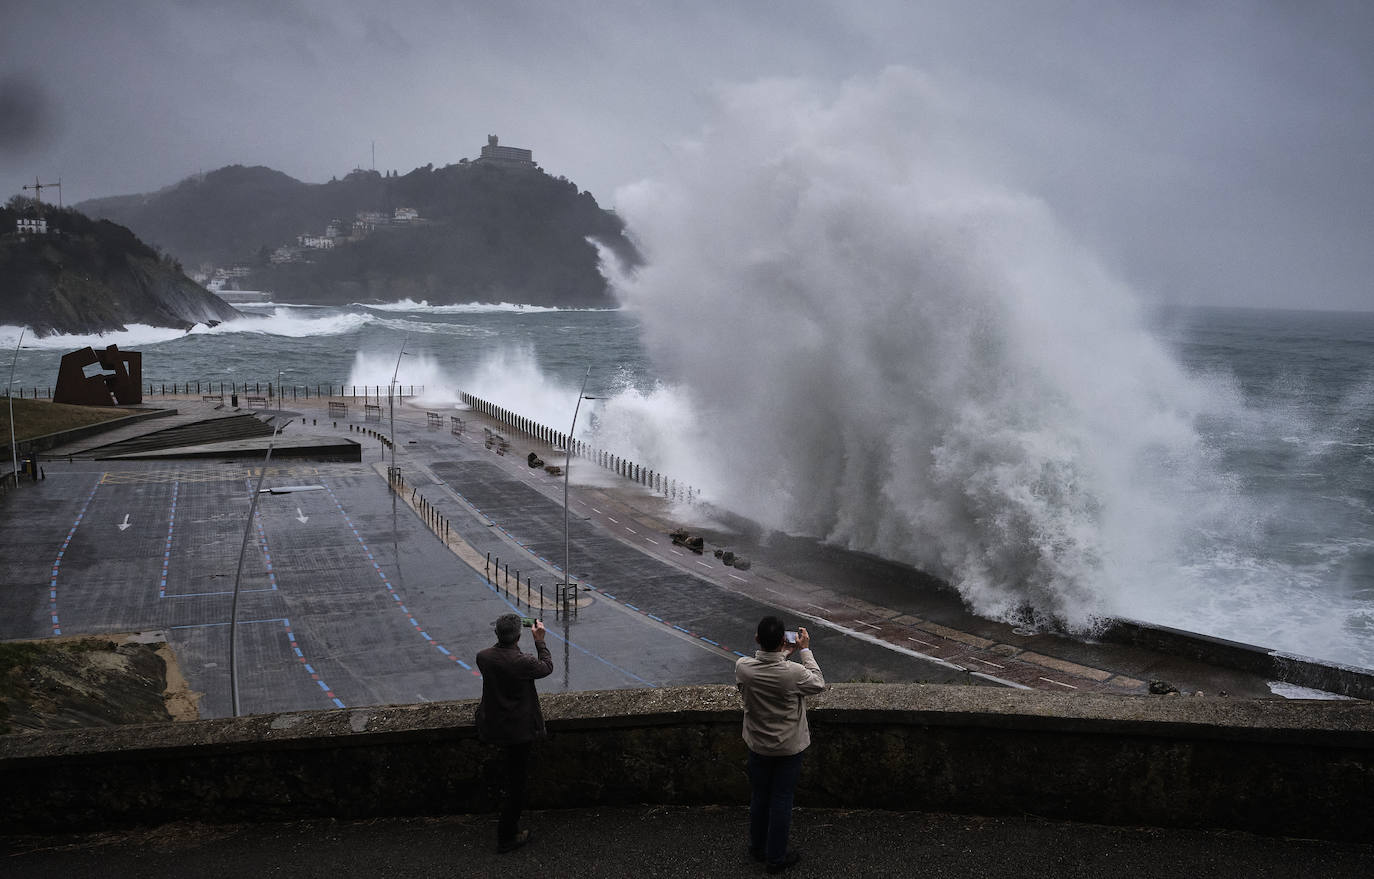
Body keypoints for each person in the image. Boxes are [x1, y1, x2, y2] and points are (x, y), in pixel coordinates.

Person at [735, 616, 826, 873]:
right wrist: (805, 650)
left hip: (758, 745)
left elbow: (766, 668)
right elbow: (817, 682)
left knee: (760, 797)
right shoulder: (794, 674)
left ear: (757, 640)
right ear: (782, 641)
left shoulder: (743, 667)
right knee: (782, 800)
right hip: (788, 748)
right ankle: (776, 858)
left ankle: (757, 847)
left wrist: (781, 654)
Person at [475, 613, 553, 854]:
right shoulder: (523, 662)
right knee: (517, 786)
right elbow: (547, 667)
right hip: (518, 730)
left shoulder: (483, 658)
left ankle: (510, 826)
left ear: (497, 634)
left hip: (495, 726)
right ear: (519, 636)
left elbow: (501, 656)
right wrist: (540, 640)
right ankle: (507, 836)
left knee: (509, 777)